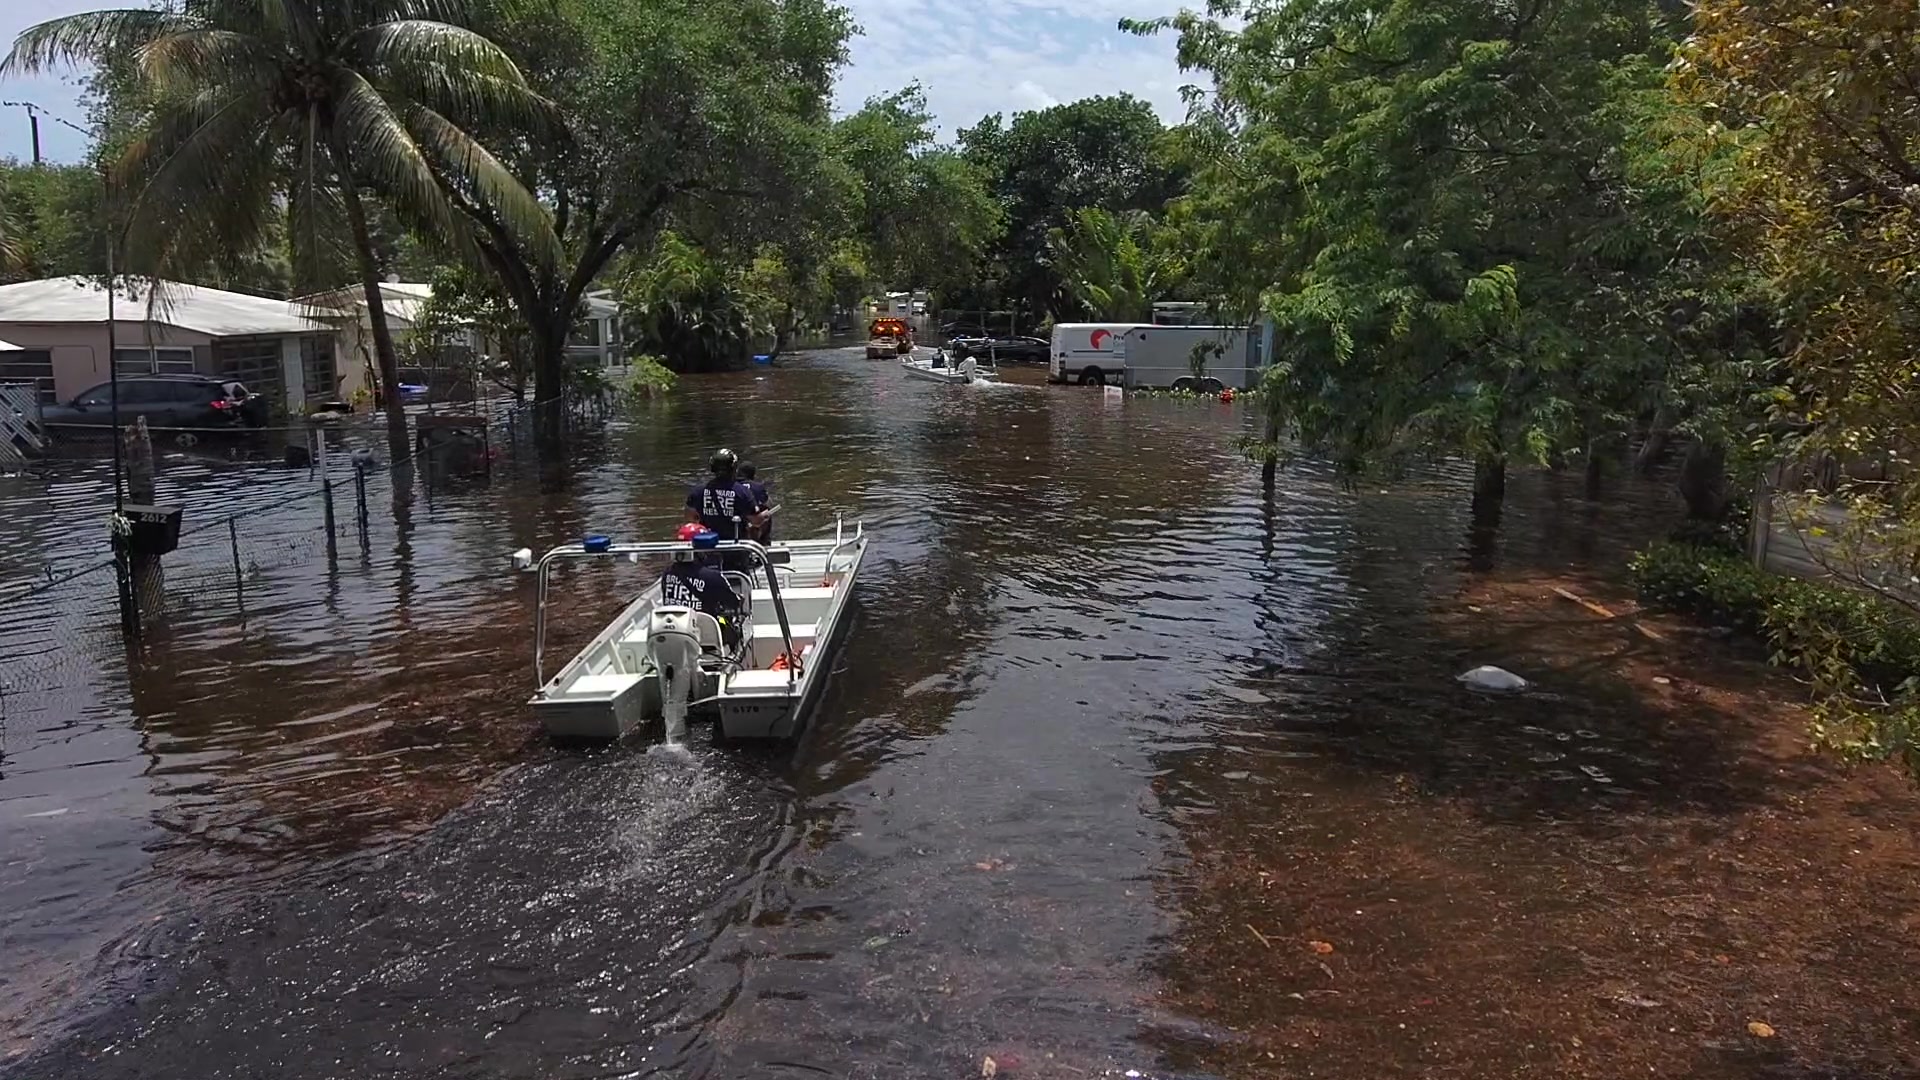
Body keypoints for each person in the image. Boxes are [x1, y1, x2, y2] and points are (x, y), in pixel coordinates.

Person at [660, 524, 745, 648]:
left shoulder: (667, 574)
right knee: (734, 625)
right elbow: (734, 603)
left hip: (672, 637)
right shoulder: (712, 577)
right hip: (706, 642)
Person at [738, 462, 772, 544]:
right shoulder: (758, 486)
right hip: (754, 522)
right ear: (753, 474)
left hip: (737, 522)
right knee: (768, 512)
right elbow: (766, 502)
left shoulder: (733, 486)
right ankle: (764, 540)